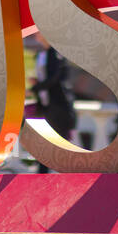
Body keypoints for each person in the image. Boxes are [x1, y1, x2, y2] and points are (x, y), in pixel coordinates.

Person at [30, 34, 75, 173]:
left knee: (59, 142)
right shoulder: (41, 54)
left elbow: (54, 79)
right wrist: (37, 84)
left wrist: (34, 88)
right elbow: (46, 77)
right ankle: (41, 174)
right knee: (44, 141)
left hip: (58, 105)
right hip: (45, 104)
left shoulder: (56, 54)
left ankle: (62, 175)